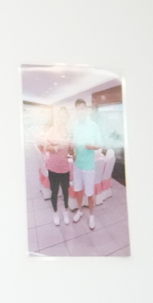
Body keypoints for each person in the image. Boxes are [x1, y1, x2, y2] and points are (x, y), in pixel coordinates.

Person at [71, 98, 107, 230]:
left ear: (86, 109)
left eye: (82, 108)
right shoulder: (74, 125)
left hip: (88, 166)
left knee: (90, 193)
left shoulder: (93, 125)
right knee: (78, 191)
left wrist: (91, 146)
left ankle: (91, 216)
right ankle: (80, 210)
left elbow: (100, 144)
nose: (80, 111)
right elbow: (73, 142)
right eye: (78, 109)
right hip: (77, 164)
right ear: (76, 111)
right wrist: (73, 150)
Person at [38, 105, 75, 227]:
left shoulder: (69, 133)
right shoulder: (52, 131)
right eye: (61, 117)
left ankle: (65, 211)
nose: (63, 119)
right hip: (53, 167)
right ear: (58, 118)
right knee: (54, 192)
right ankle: (55, 213)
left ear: (67, 118)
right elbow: (46, 147)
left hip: (65, 167)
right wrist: (57, 147)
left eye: (65, 117)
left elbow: (70, 151)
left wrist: (72, 149)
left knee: (65, 192)